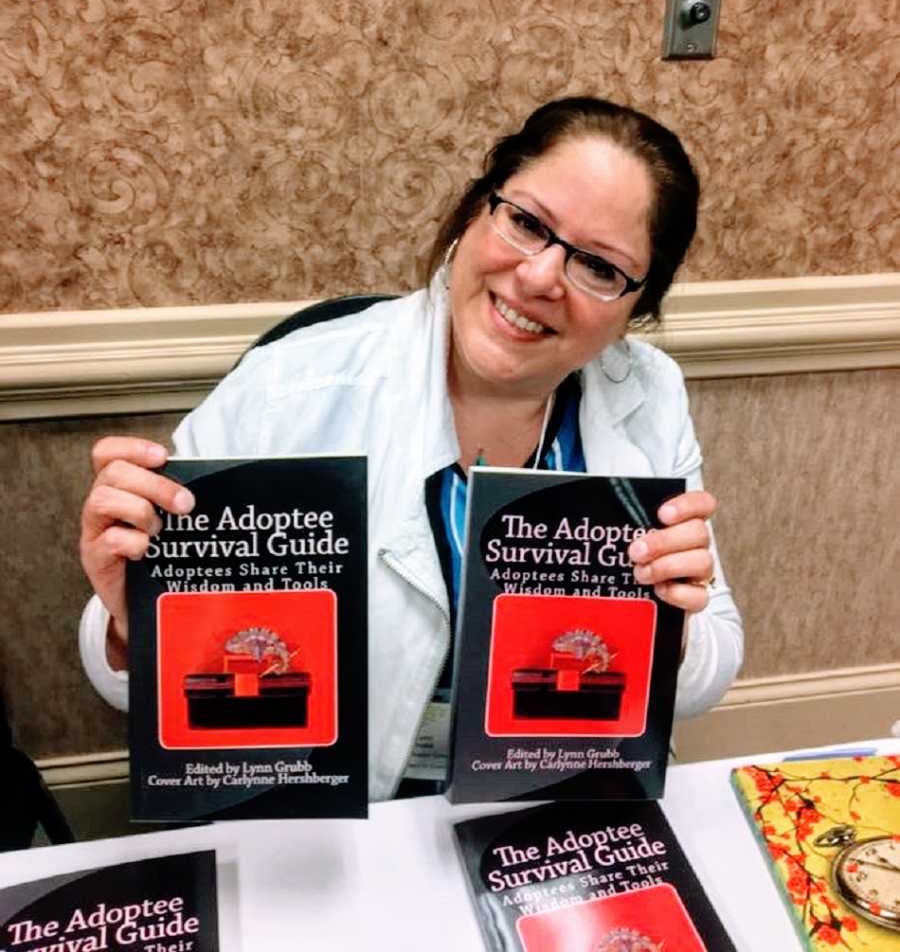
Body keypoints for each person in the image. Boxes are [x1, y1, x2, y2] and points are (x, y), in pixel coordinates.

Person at [79, 95, 743, 802]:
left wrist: (669, 630)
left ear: (633, 311)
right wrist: (134, 621)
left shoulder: (649, 394)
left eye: (600, 268)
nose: (542, 277)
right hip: (335, 824)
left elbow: (711, 668)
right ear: (474, 213)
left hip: (546, 806)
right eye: (526, 223)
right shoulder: (287, 389)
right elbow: (127, 688)